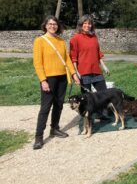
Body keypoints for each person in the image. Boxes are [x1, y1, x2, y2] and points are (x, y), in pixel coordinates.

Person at [32, 15, 80, 150]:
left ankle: (55, 128)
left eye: (55, 24)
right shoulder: (39, 41)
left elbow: (67, 60)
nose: (53, 26)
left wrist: (73, 74)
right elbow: (37, 63)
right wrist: (43, 80)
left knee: (59, 105)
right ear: (45, 25)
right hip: (49, 79)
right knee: (45, 108)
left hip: (62, 78)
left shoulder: (60, 41)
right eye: (50, 24)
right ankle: (39, 137)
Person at [69, 14, 109, 94]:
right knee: (87, 98)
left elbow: (98, 53)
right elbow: (73, 57)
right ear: (81, 24)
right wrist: (76, 72)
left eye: (89, 23)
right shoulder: (75, 38)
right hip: (84, 73)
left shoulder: (94, 37)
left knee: (104, 94)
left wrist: (104, 66)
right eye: (85, 23)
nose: (87, 25)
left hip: (97, 71)